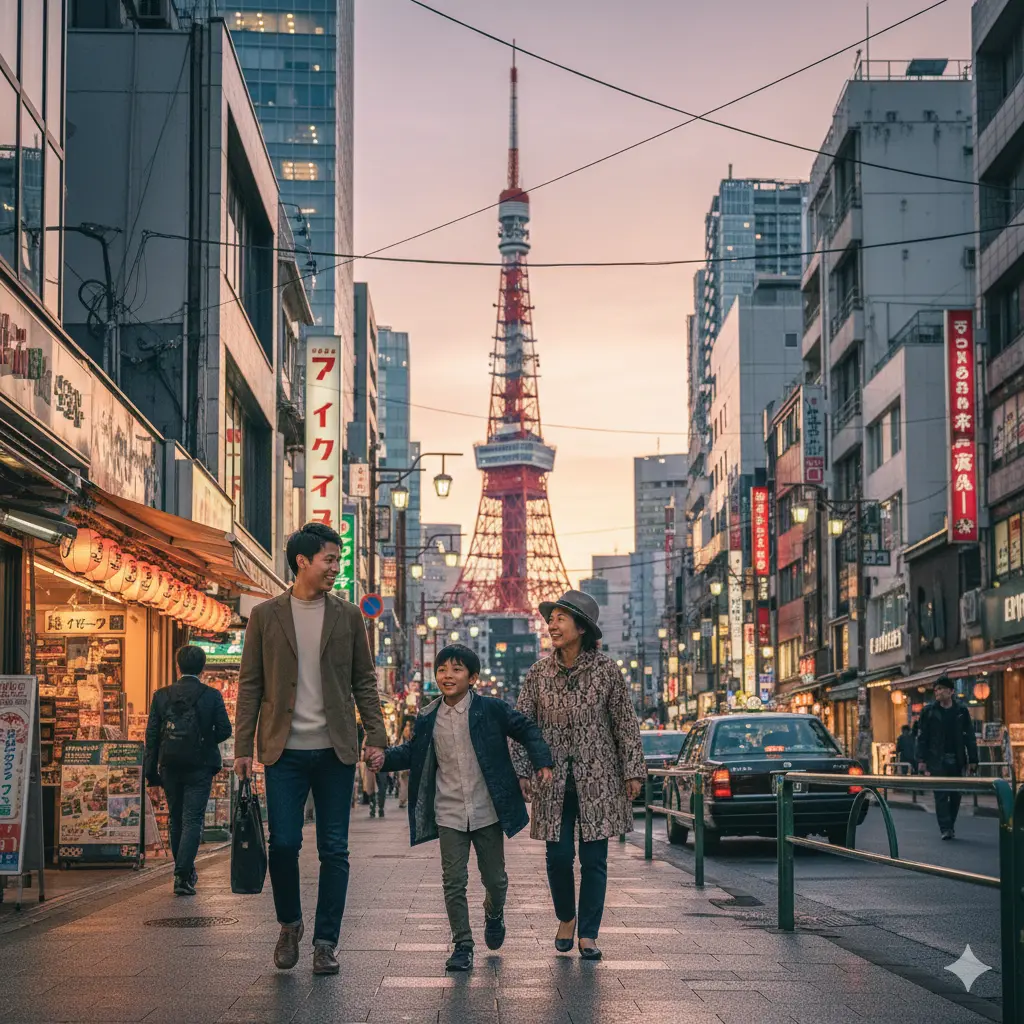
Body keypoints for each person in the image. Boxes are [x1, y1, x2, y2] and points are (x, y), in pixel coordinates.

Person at [235, 522, 388, 976]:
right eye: (330, 560)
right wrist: (243, 746)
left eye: (339, 560)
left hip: (335, 751)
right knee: (283, 844)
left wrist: (376, 735)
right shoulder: (265, 616)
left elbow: (364, 680)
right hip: (283, 752)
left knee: (334, 850)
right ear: (302, 561)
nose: (336, 569)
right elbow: (250, 685)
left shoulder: (347, 616)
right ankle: (289, 925)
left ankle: (325, 942)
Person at [373, 644, 553, 972]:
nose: (447, 675)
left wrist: (541, 761)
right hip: (449, 811)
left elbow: (527, 729)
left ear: (473, 677)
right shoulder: (428, 716)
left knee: (495, 880)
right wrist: (383, 758)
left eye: (456, 669)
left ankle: (494, 913)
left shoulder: (492, 709)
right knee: (453, 880)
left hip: (487, 810)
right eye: (442, 669)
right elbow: (413, 752)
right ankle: (462, 943)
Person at [512, 590, 645, 962]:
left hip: (599, 778)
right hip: (552, 780)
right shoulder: (539, 673)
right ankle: (566, 918)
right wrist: (522, 770)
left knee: (594, 860)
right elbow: (523, 725)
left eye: (559, 619)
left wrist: (633, 770)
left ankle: (588, 933)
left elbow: (624, 723)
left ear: (581, 627)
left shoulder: (607, 671)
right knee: (557, 857)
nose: (551, 625)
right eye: (550, 619)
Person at [144, 645, 232, 896]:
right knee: (193, 819)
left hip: (170, 764)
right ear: (203, 668)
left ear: (177, 666)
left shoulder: (161, 695)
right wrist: (204, 738)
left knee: (176, 817)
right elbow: (225, 730)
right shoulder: (211, 695)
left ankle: (183, 870)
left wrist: (150, 770)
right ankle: (183, 874)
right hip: (200, 765)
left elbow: (151, 734)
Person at [916, 676, 979, 840]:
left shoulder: (961, 711)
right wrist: (921, 760)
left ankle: (950, 824)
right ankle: (946, 828)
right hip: (937, 759)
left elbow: (969, 737)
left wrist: (973, 759)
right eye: (936, 689)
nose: (938, 692)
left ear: (951, 691)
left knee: (956, 794)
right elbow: (922, 737)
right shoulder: (929, 711)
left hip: (957, 758)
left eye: (941, 689)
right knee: (941, 795)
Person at [396, 721, 413, 808]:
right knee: (405, 783)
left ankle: (402, 800)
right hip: (406, 766)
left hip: (403, 766)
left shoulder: (402, 740)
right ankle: (403, 800)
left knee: (403, 783)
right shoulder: (407, 739)